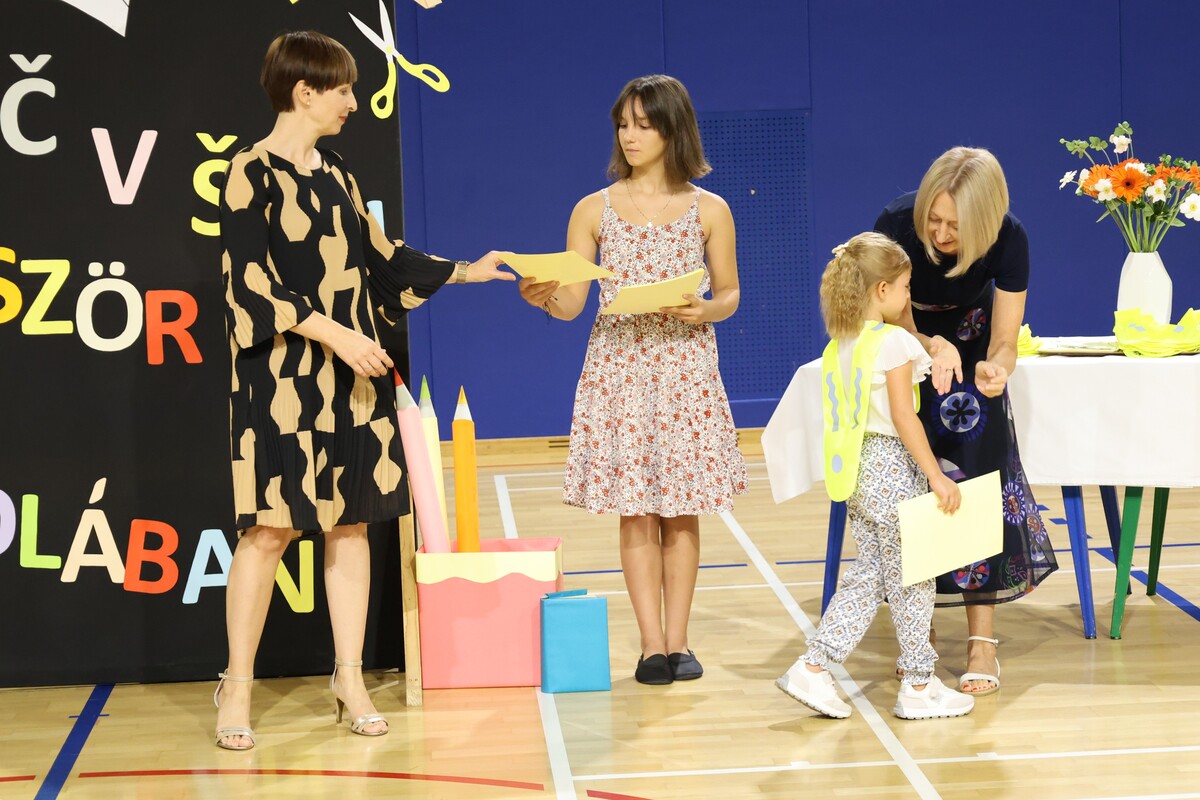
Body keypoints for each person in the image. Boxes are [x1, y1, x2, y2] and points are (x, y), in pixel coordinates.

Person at [213, 30, 514, 751]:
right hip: (280, 378)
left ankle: (348, 680)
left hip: (353, 378)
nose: (353, 102)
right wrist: (335, 335)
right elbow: (250, 286)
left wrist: (467, 271)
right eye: (343, 89)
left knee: (350, 523)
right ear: (304, 92)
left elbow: (384, 259)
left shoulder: (339, 174)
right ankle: (237, 685)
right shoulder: (248, 172)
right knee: (269, 530)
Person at [518, 75, 747, 685]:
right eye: (624, 124)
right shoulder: (592, 209)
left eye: (644, 124)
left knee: (683, 509)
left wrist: (706, 309)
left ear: (673, 129)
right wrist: (543, 297)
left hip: (684, 370)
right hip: (620, 369)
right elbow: (572, 302)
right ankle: (650, 647)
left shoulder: (710, 209)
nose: (630, 135)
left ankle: (680, 642)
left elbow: (729, 292)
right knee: (637, 510)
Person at [874, 147, 1058, 695]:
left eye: (954, 225)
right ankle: (918, 630)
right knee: (909, 476)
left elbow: (1005, 339)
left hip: (973, 347)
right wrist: (932, 346)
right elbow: (883, 318)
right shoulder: (895, 224)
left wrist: (997, 368)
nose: (940, 232)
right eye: (933, 219)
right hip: (906, 345)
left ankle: (982, 641)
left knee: (980, 472)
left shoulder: (1009, 237)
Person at [775, 232, 974, 721]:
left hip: (857, 470)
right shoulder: (894, 342)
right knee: (914, 575)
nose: (908, 297)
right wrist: (936, 475)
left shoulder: (840, 345)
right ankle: (916, 683)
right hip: (891, 466)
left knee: (873, 573)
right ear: (882, 289)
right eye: (905, 287)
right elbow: (905, 418)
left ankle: (818, 666)